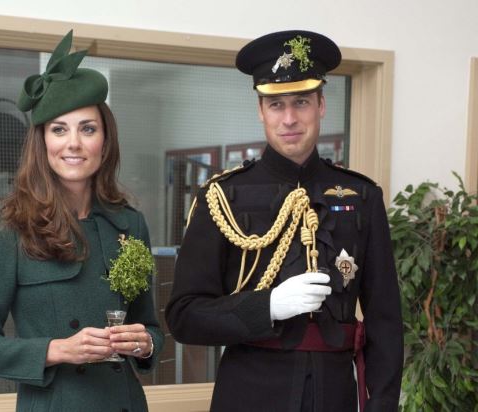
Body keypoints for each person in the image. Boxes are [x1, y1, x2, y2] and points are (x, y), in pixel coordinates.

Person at [165, 30, 403, 412]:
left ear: (321, 105)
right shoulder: (223, 196)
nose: (289, 118)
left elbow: (385, 319)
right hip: (249, 393)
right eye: (276, 104)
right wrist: (268, 306)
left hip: (334, 394)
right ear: (261, 110)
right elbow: (184, 317)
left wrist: (383, 403)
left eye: (301, 102)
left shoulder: (361, 196)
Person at [0, 30, 163, 412]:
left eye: (87, 128)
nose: (73, 143)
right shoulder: (10, 225)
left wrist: (146, 343)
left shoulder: (129, 223)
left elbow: (149, 326)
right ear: (42, 142)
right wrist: (58, 350)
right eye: (59, 129)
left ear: (105, 140)